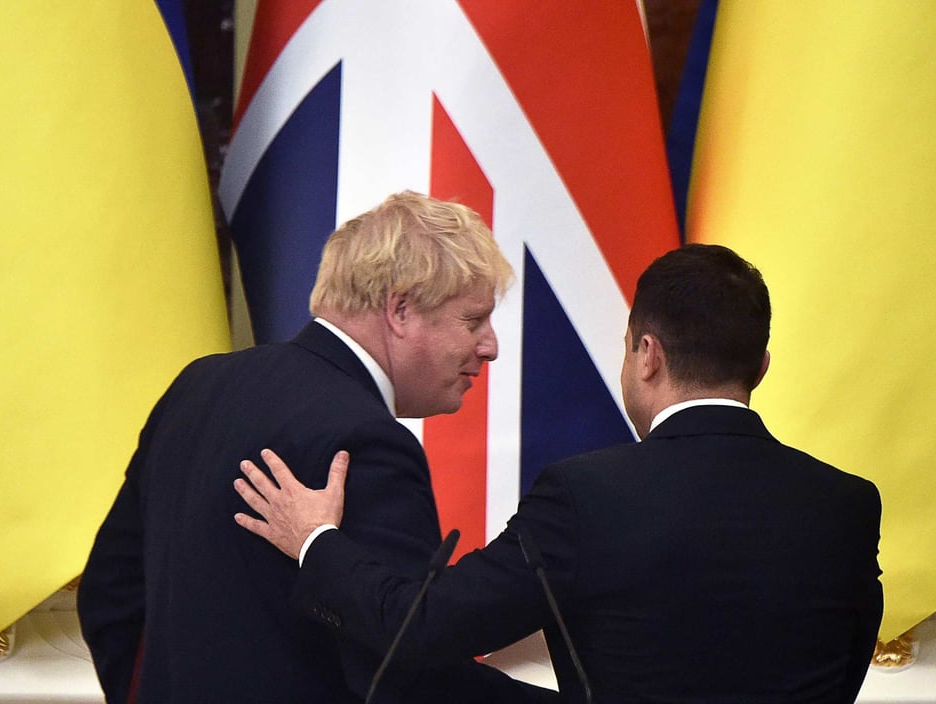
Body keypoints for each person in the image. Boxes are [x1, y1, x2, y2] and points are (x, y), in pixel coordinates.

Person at [235, 243, 885, 703]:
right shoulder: (849, 505)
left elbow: (426, 628)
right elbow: (845, 665)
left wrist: (315, 540)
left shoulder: (588, 496)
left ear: (646, 354)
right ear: (762, 366)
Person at [77, 191, 557, 703]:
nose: (491, 346)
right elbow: (405, 668)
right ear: (400, 309)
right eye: (473, 320)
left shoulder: (198, 387)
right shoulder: (365, 442)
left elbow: (108, 593)